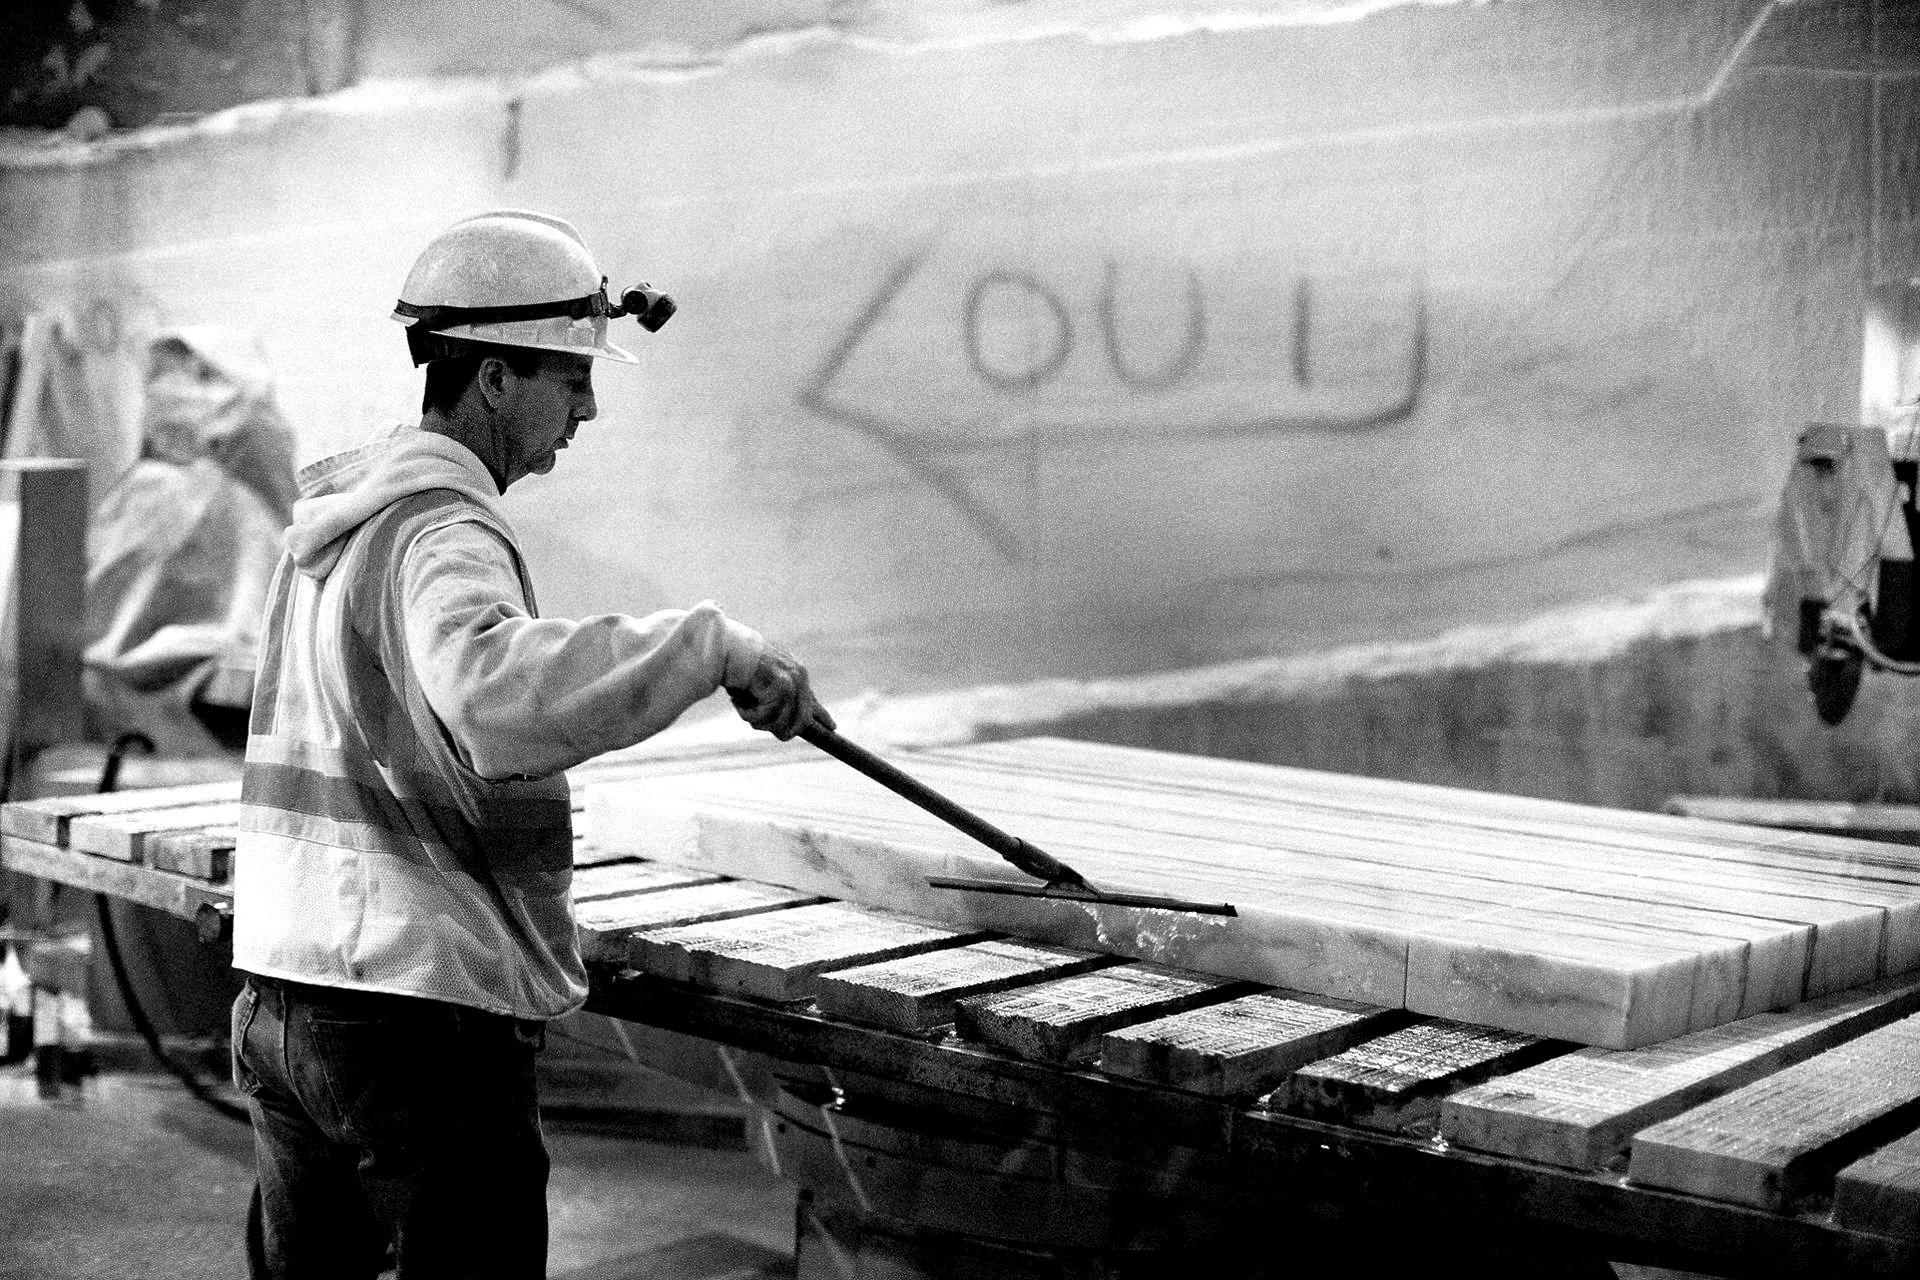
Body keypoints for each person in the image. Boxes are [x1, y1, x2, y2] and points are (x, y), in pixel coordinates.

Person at [228, 209, 832, 1279]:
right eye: (571, 376)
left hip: (286, 994)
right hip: (413, 1021)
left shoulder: (339, 524)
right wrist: (713, 648)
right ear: (495, 378)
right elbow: (494, 694)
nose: (589, 405)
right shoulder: (443, 530)